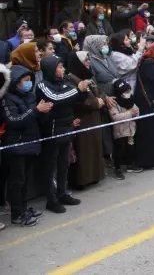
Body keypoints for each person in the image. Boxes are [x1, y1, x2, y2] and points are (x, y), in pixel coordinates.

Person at [36, 55, 88, 213]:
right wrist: (76, 90)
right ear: (51, 69)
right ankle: (51, 199)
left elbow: (75, 98)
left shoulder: (65, 82)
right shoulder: (42, 85)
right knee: (51, 167)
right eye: (59, 67)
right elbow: (56, 98)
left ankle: (62, 193)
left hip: (66, 127)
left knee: (64, 164)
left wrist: (83, 91)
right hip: (52, 131)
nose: (63, 69)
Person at [1, 64, 48, 226]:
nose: (29, 83)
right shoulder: (7, 99)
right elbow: (13, 121)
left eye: (30, 80)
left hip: (30, 143)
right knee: (17, 181)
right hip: (16, 146)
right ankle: (16, 214)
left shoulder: (29, 96)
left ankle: (24, 208)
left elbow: (33, 117)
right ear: (16, 82)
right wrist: (36, 110)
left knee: (26, 180)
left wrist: (43, 112)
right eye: (25, 80)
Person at [66, 51, 107, 189]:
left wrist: (101, 99)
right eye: (85, 59)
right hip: (83, 119)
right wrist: (97, 102)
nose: (88, 62)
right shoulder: (71, 79)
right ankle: (82, 180)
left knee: (95, 147)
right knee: (84, 150)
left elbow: (99, 92)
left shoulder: (88, 76)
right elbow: (79, 100)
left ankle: (95, 176)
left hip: (94, 118)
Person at [108, 79, 142, 180]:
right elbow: (115, 117)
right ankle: (117, 169)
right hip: (120, 131)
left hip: (130, 129)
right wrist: (130, 114)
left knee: (130, 147)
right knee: (119, 150)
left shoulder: (130, 100)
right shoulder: (114, 103)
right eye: (125, 92)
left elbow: (136, 110)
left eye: (129, 91)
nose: (128, 93)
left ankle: (130, 164)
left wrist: (136, 112)